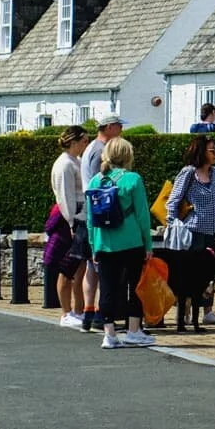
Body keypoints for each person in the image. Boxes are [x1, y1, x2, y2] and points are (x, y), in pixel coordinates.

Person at [85, 136, 156, 349]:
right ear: (127, 156)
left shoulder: (96, 181)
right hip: (132, 241)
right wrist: (148, 244)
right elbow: (143, 216)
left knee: (107, 289)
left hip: (104, 243)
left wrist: (93, 246)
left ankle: (110, 335)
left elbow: (90, 219)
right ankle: (134, 331)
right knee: (134, 287)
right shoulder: (133, 179)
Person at [166, 135, 215, 328]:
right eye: (212, 150)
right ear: (201, 151)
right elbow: (174, 200)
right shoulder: (189, 173)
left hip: (211, 230)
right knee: (190, 275)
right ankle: (185, 312)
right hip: (192, 231)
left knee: (209, 274)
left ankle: (207, 310)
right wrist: (174, 223)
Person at [78, 115, 125, 330]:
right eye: (118, 125)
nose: (121, 129)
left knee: (92, 266)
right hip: (100, 212)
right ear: (108, 127)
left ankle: (90, 312)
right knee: (101, 267)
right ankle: (99, 314)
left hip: (94, 211)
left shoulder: (93, 147)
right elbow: (103, 183)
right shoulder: (100, 150)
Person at [49, 125, 90, 327]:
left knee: (80, 266)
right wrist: (72, 222)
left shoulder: (75, 161)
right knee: (67, 267)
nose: (86, 144)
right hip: (71, 219)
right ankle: (66, 312)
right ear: (73, 142)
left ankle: (78, 310)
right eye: (84, 141)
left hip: (79, 217)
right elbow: (65, 197)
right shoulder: (65, 164)